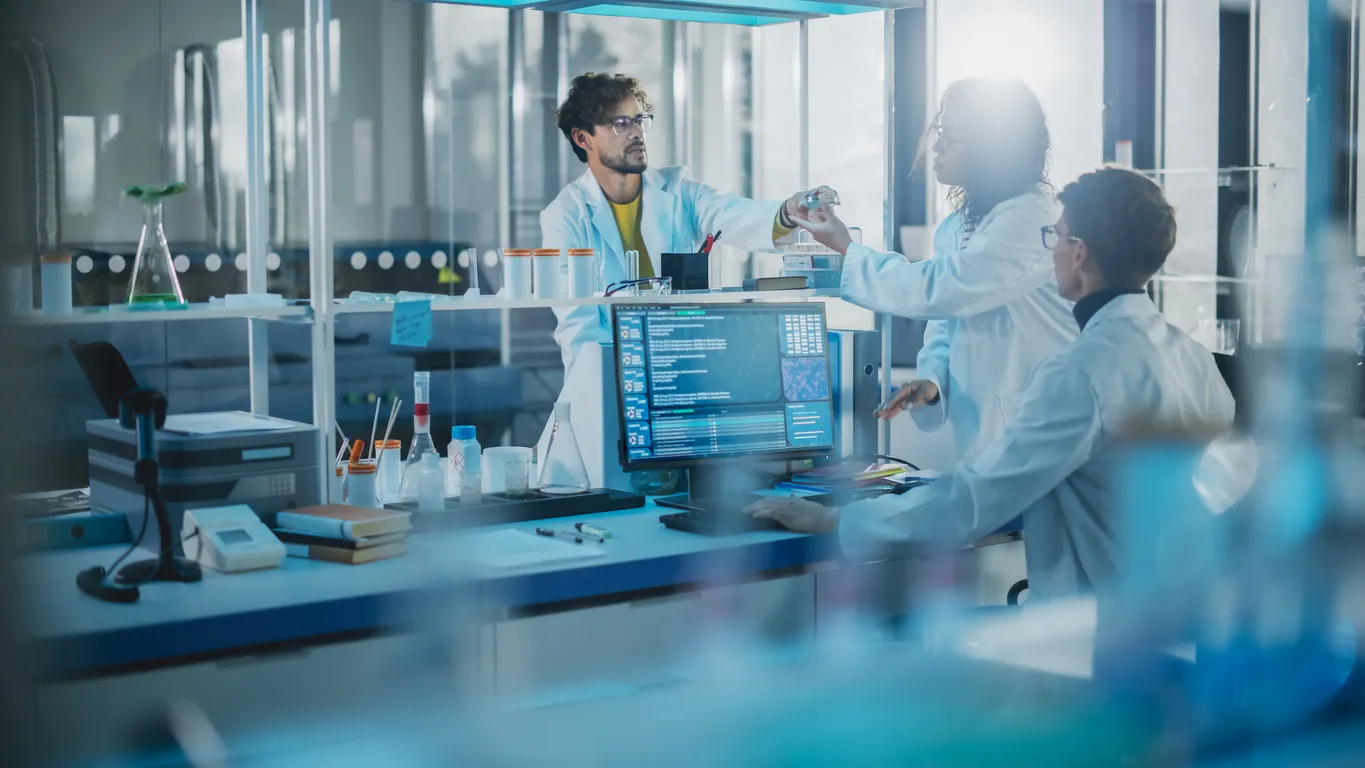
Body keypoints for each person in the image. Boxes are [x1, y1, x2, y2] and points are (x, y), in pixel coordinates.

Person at [748, 167, 1236, 601]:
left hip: (1098, 641)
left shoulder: (1079, 372)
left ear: (1079, 254)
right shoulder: (1192, 357)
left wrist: (836, 520)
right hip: (1187, 623)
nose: (1048, 250)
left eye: (1056, 237)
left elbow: (972, 504)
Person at [795, 78, 1077, 463]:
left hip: (1046, 438)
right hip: (993, 442)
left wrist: (846, 247)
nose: (938, 145)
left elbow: (946, 290)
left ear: (995, 148)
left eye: (954, 136)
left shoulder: (1029, 217)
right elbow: (947, 323)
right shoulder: (960, 225)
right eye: (941, 131)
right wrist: (933, 381)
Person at [542, 72, 834, 372]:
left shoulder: (679, 189)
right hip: (611, 379)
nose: (637, 133)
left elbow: (732, 213)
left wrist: (788, 212)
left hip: (682, 369)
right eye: (621, 123)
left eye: (640, 120)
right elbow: (579, 326)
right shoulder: (565, 217)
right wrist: (612, 388)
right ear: (582, 138)